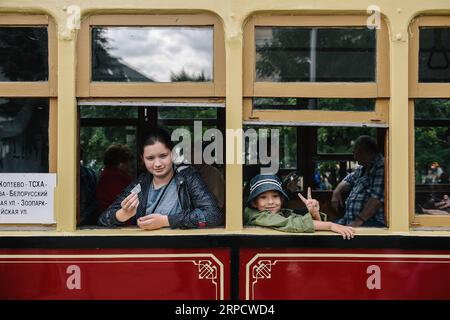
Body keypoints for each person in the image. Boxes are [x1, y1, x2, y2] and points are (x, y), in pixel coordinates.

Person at [98, 127, 223, 230]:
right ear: (142, 159)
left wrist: (166, 220)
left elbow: (213, 216)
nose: (157, 164)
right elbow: (103, 219)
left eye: (163, 156)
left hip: (182, 250)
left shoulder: (188, 176)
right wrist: (122, 215)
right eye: (150, 158)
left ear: (173, 154)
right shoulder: (141, 183)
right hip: (147, 251)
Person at [244, 174, 355, 239]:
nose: (271, 201)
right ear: (254, 203)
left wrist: (314, 213)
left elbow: (313, 229)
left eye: (275, 196)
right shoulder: (256, 216)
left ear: (282, 200)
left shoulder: (283, 212)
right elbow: (291, 223)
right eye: (263, 197)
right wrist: (330, 225)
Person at [332, 135, 385, 227]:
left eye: (355, 152)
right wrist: (337, 191)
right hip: (351, 220)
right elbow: (349, 180)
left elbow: (376, 200)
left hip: (371, 222)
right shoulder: (363, 168)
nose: (354, 156)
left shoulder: (382, 166)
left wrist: (358, 221)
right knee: (328, 228)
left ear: (366, 152)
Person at [96, 144, 133, 213]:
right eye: (128, 161)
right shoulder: (118, 178)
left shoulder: (106, 175)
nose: (129, 165)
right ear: (121, 163)